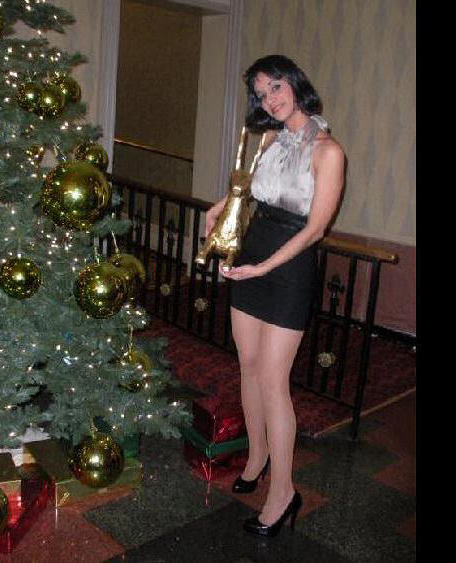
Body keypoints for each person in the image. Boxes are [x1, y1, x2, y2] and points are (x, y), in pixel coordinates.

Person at [204, 55, 345, 537]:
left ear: (295, 84)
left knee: (272, 380)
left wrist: (265, 267)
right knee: (247, 365)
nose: (270, 100)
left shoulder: (328, 152)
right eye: (262, 94)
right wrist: (221, 206)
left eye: (276, 87)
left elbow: (316, 228)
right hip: (253, 249)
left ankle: (284, 491)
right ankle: (257, 456)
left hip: (288, 265)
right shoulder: (267, 140)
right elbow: (251, 192)